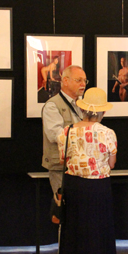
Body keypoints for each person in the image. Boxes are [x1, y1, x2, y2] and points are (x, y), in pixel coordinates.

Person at [56, 88, 119, 254]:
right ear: (102, 112)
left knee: (75, 234)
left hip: (73, 186)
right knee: (96, 236)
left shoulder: (67, 131)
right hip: (97, 187)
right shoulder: (107, 133)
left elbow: (63, 159)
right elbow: (111, 164)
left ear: (83, 109)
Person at [42, 65, 87, 197]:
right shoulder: (52, 105)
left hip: (81, 166)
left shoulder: (82, 105)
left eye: (85, 81)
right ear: (65, 81)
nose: (83, 84)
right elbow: (55, 135)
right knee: (65, 204)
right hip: (61, 168)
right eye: (79, 80)